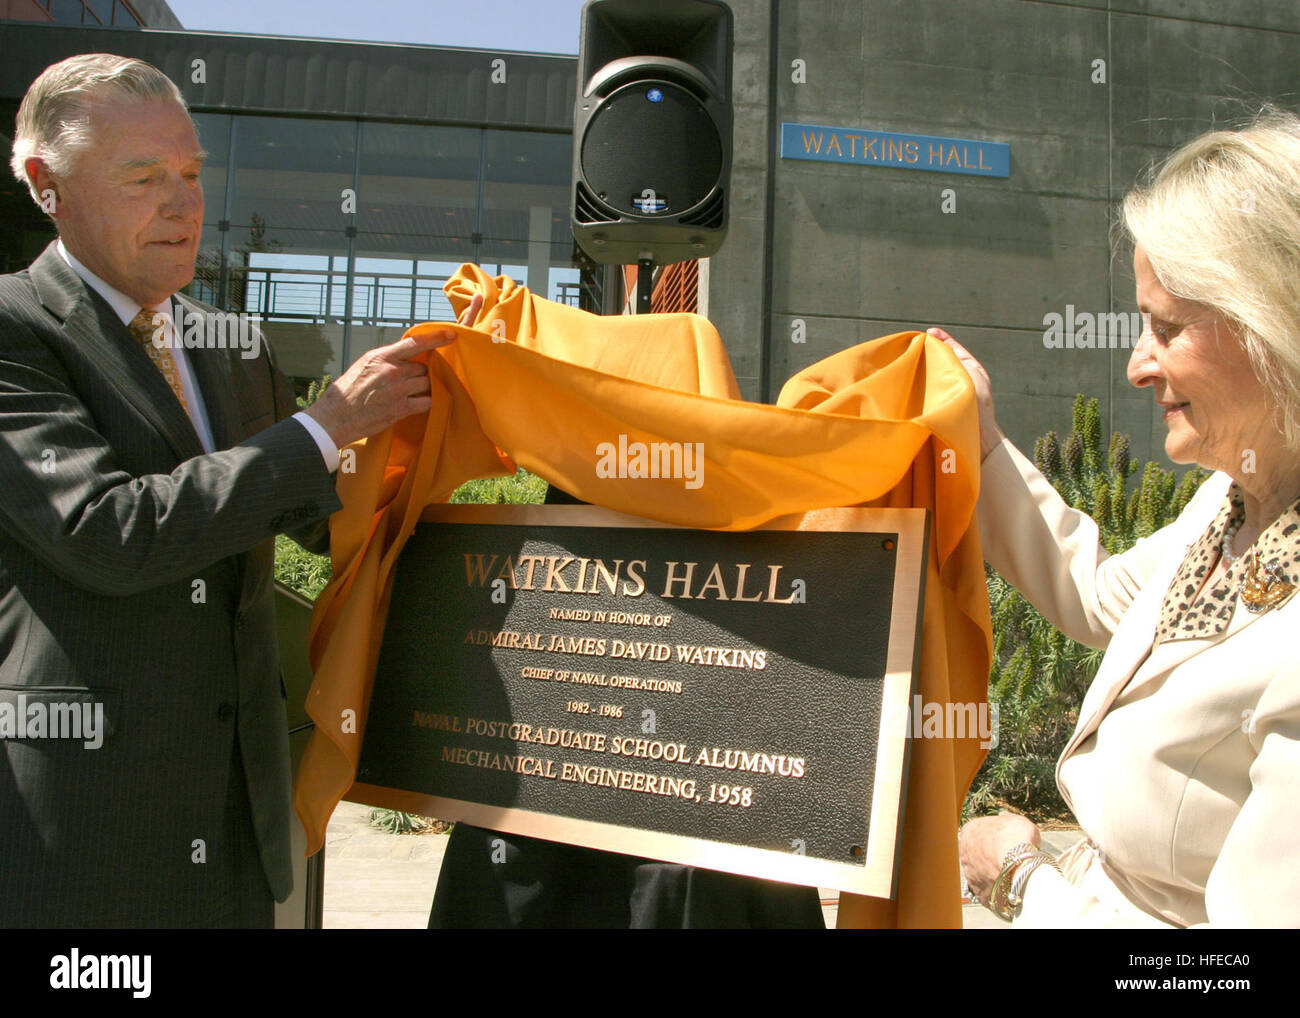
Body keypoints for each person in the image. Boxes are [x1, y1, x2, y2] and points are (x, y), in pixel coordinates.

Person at [0, 54, 456, 927]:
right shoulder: (16, 328)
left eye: (192, 173)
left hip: (236, 820)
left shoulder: (231, 346)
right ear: (44, 184)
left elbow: (313, 520)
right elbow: (111, 533)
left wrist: (438, 447)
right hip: (82, 822)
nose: (182, 203)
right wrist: (326, 426)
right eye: (143, 178)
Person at [939, 108, 1300, 927]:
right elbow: (1103, 594)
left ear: (1275, 330)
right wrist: (985, 441)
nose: (1138, 364)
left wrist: (1024, 882)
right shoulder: (1234, 497)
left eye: (1166, 329)